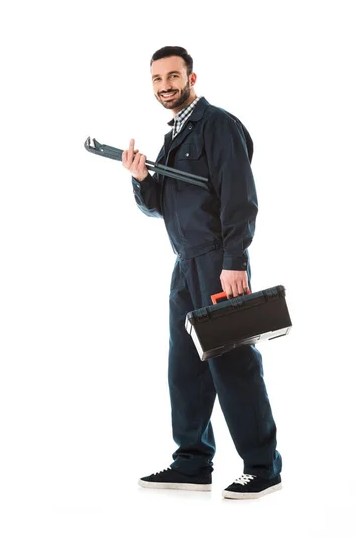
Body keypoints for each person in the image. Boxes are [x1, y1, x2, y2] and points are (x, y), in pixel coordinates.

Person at [122, 46, 282, 500]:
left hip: (216, 262)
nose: (165, 86)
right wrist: (140, 179)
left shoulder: (218, 126)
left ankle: (263, 467)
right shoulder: (175, 134)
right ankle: (192, 462)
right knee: (185, 367)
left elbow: (239, 198)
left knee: (232, 364)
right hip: (185, 262)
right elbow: (162, 206)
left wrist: (235, 262)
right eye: (157, 79)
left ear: (192, 78)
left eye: (173, 76)